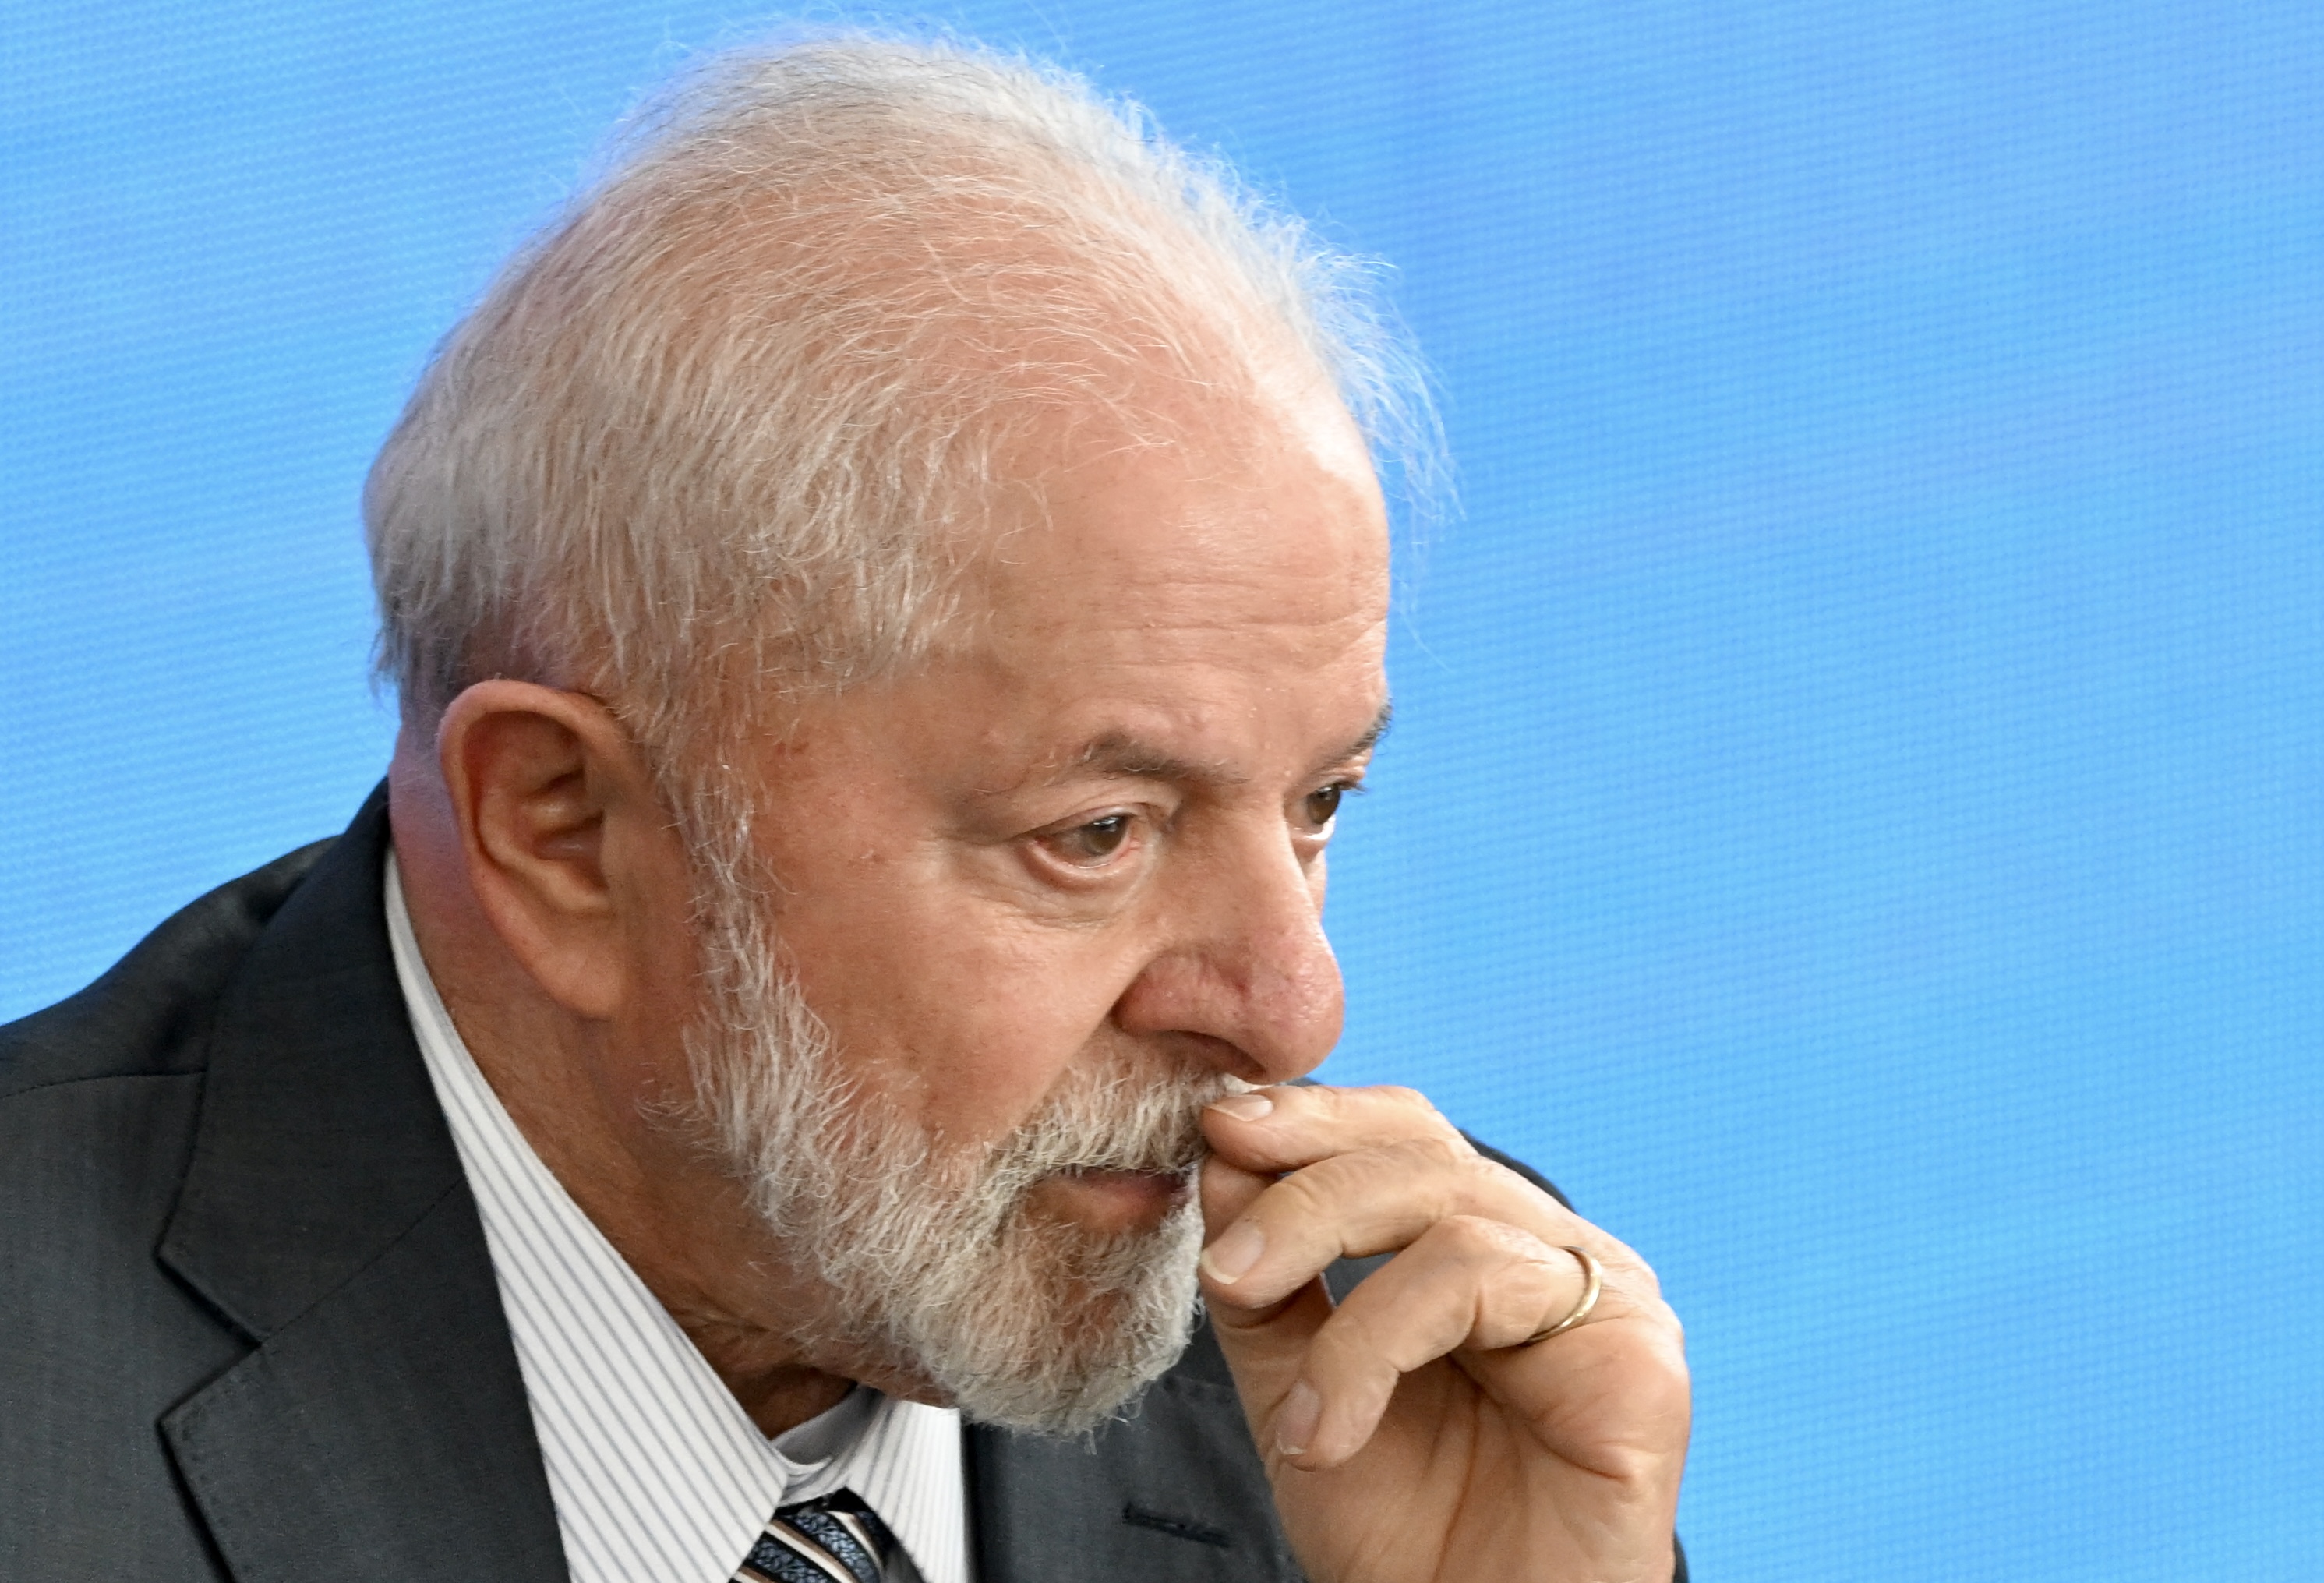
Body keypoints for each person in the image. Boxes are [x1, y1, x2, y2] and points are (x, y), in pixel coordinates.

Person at [0, 33, 1688, 1583]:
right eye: (1097, 833)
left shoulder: (1367, 1353)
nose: (1293, 1010)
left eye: (1318, 802)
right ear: (565, 832)